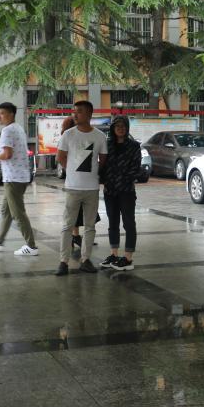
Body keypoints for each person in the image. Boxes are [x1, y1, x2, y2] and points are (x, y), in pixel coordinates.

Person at [55, 101, 107, 276]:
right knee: (67, 225)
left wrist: (93, 173)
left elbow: (103, 159)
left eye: (79, 112)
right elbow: (60, 157)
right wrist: (71, 171)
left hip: (92, 188)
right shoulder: (68, 134)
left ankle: (86, 260)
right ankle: (63, 262)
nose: (75, 115)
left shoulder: (99, 136)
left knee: (90, 226)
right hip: (72, 187)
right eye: (74, 112)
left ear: (89, 114)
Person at [0, 102, 39, 256]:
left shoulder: (7, 130)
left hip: (13, 178)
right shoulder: (18, 128)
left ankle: (31, 246)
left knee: (18, 213)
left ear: (11, 114)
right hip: (20, 176)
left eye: (2, 113)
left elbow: (7, 154)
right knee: (6, 211)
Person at [99, 116, 142, 271]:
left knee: (129, 223)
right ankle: (114, 254)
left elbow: (136, 168)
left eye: (123, 126)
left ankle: (128, 258)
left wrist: (122, 180)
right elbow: (102, 165)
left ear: (127, 127)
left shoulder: (134, 146)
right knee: (112, 223)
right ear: (113, 128)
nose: (120, 128)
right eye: (117, 126)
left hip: (126, 191)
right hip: (110, 191)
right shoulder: (107, 144)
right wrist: (104, 179)